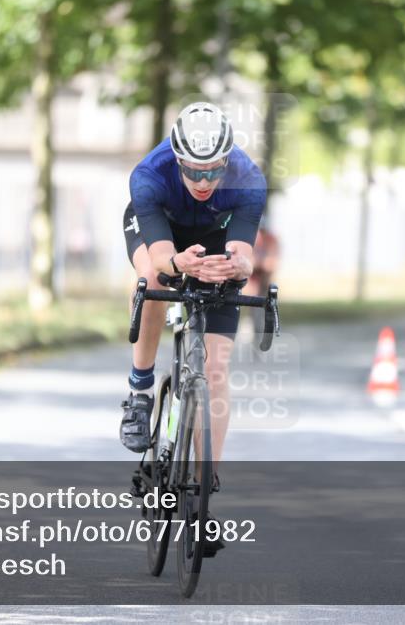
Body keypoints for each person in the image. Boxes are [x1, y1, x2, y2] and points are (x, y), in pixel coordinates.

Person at [119, 102, 267, 554]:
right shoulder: (151, 174)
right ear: (178, 160)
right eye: (193, 172)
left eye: (213, 172)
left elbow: (244, 250)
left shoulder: (248, 179)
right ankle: (141, 391)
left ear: (227, 161)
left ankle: (203, 499)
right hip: (162, 230)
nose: (204, 182)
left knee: (216, 371)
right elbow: (162, 253)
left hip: (217, 239)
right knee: (153, 280)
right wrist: (177, 265)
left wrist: (240, 264)